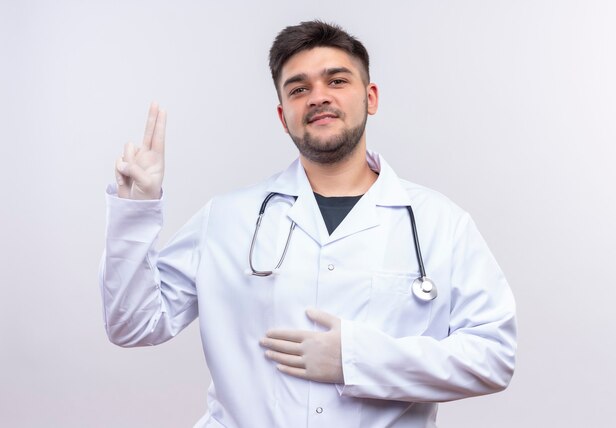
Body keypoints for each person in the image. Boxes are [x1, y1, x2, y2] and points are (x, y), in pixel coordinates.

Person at [101, 20, 516, 428]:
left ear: (370, 97)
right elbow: (134, 324)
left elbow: (493, 356)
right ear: (284, 116)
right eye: (299, 89)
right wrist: (136, 210)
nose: (318, 97)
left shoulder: (439, 223)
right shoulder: (227, 218)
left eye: (336, 81)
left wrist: (355, 359)